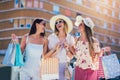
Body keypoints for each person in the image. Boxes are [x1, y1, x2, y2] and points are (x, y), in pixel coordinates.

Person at [47, 15, 75, 80]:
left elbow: (71, 57)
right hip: (53, 66)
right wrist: (56, 50)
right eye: (56, 23)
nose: (58, 23)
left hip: (66, 67)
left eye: (60, 21)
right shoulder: (51, 37)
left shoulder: (70, 38)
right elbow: (47, 56)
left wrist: (67, 49)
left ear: (64, 23)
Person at [74, 16, 102, 80]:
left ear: (86, 27)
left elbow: (98, 56)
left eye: (81, 24)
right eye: (79, 24)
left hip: (91, 71)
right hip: (79, 70)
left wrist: (100, 51)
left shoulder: (94, 41)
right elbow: (75, 54)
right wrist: (69, 47)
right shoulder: (76, 39)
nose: (78, 25)